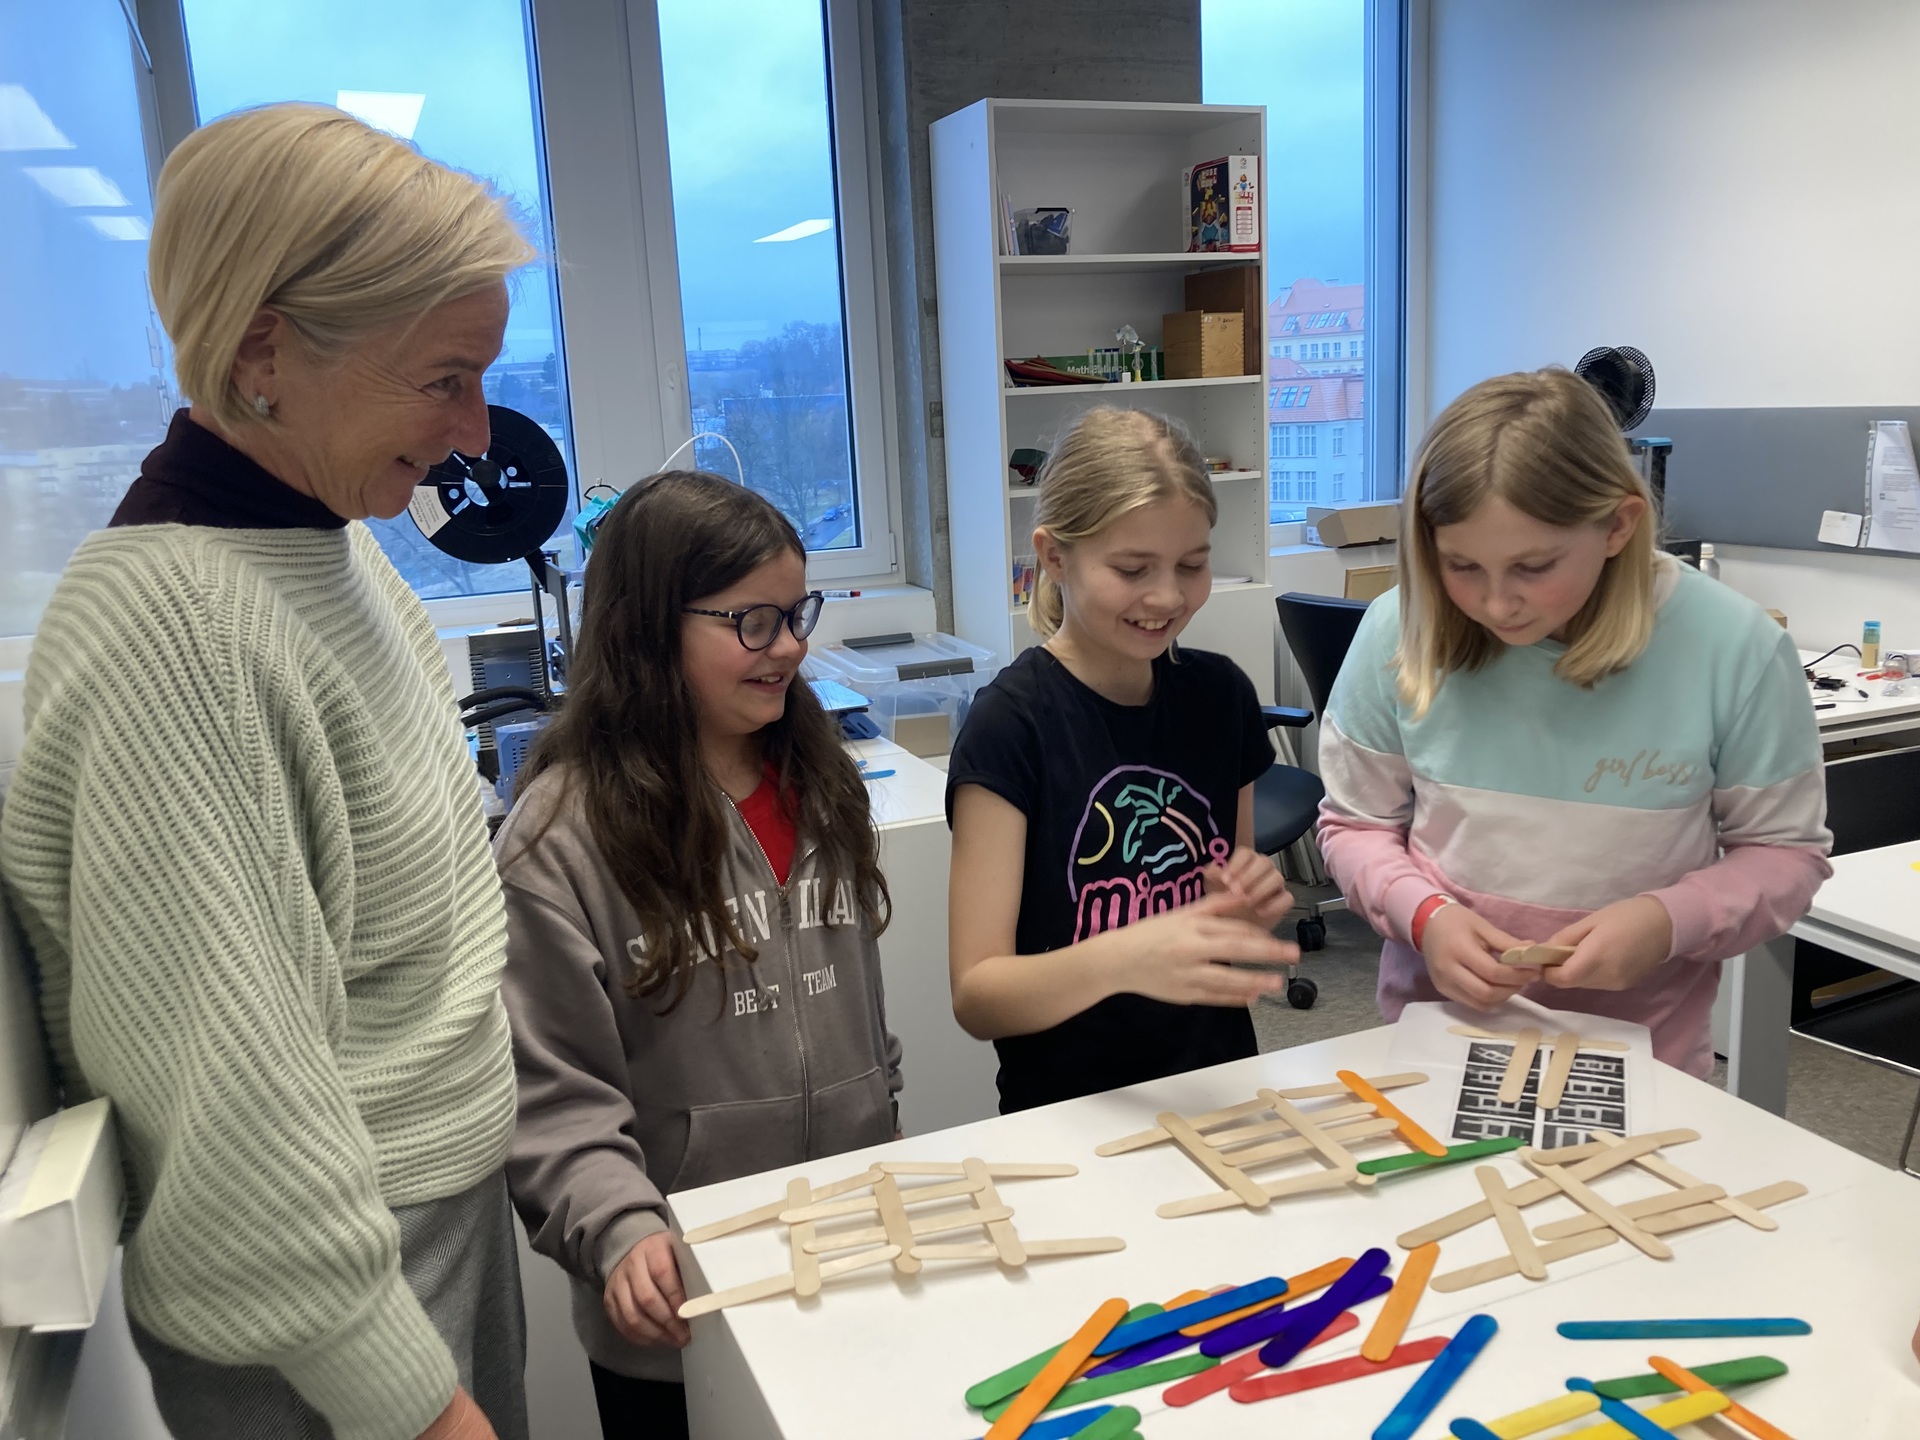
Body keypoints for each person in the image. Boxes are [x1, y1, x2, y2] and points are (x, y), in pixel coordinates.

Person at [0, 105, 534, 1440]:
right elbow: (228, 1099)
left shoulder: (330, 555)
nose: (476, 434)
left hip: (428, 1227)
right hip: (333, 1308)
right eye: (444, 379)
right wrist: (413, 1401)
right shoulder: (178, 631)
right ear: (262, 353)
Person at [494, 472, 902, 1440]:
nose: (790, 646)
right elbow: (550, 1098)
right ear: (647, 629)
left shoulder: (821, 780)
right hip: (682, 1298)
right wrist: (622, 1228)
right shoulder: (561, 837)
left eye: (795, 615)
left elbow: (858, 1012)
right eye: (752, 622)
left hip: (844, 1257)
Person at [1316, 367, 1832, 1075]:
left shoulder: (1733, 646)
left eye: (1534, 567)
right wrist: (1424, 916)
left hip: (1638, 1058)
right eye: (1461, 566)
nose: (1497, 604)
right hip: (1441, 1045)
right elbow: (1354, 828)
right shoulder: (1398, 630)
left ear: (1618, 525)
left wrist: (1665, 922)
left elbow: (1785, 856)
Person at [945, 407, 1298, 1114]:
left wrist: (1245, 903)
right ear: (1054, 557)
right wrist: (1125, 958)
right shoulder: (1011, 725)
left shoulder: (1220, 696)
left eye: (1192, 565)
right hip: (1073, 1112)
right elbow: (978, 995)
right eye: (1132, 569)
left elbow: (1223, 911)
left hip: (1212, 1086)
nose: (1167, 596)